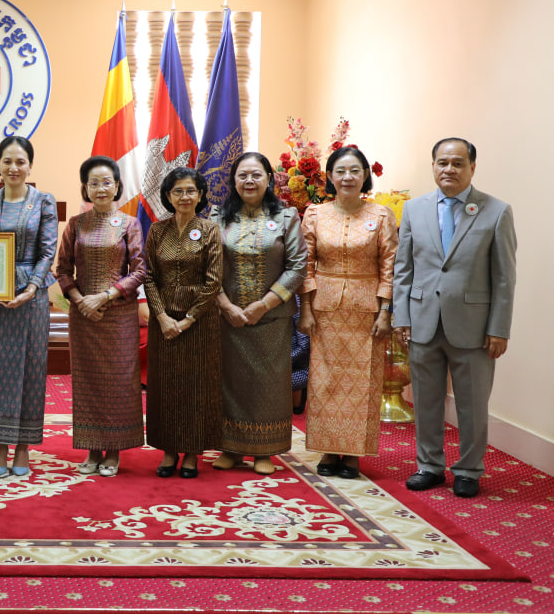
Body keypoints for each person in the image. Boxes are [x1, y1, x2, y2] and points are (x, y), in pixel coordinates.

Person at [393, 138, 517, 499]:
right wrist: (402, 317)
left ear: (472, 168)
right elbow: (404, 269)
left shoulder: (496, 211)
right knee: (426, 401)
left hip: (474, 327)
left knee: (472, 404)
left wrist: (499, 328)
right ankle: (429, 466)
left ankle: (468, 470)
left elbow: (504, 278)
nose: (449, 169)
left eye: (458, 163)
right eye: (443, 162)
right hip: (423, 321)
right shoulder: (414, 209)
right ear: (433, 166)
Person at [297, 146, 397, 479]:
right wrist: (305, 308)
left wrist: (385, 311)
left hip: (367, 311)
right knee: (325, 381)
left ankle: (353, 453)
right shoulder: (315, 213)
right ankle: (328, 448)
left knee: (362, 382)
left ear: (365, 175)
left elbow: (389, 265)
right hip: (324, 311)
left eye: (355, 170)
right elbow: (306, 264)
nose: (347, 177)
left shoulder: (381, 215)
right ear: (329, 176)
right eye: (340, 171)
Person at [213, 151, 306, 475]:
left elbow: (298, 267)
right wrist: (225, 305)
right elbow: (208, 266)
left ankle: (265, 450)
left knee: (269, 386)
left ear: (269, 179)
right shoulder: (218, 218)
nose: (249, 181)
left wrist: (263, 305)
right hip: (228, 318)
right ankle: (230, 448)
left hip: (271, 319)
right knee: (230, 384)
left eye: (256, 175)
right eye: (243, 175)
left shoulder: (286, 217)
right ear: (233, 180)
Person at [0, 136, 58, 477]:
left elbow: (47, 251)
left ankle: (23, 446)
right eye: (7, 161)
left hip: (31, 297)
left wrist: (31, 288)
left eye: (20, 161)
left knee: (31, 370)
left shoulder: (44, 201)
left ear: (30, 166)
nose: (13, 168)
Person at [55, 156, 146, 477]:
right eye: (94, 183)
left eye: (107, 182)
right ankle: (92, 448)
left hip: (118, 316)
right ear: (86, 188)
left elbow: (139, 271)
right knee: (88, 382)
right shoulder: (76, 224)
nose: (101, 188)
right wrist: (80, 300)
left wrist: (105, 296)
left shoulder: (130, 224)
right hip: (83, 317)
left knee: (119, 382)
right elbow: (62, 270)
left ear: (117, 185)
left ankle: (113, 451)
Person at [142, 167, 223, 480]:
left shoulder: (210, 229)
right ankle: (168, 449)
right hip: (163, 322)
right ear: (168, 195)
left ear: (200, 195)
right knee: (165, 387)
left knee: (196, 387)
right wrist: (162, 316)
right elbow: (149, 276)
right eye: (178, 191)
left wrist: (189, 319)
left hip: (199, 322)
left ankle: (191, 452)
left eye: (191, 190)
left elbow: (214, 280)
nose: (185, 196)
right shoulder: (157, 230)